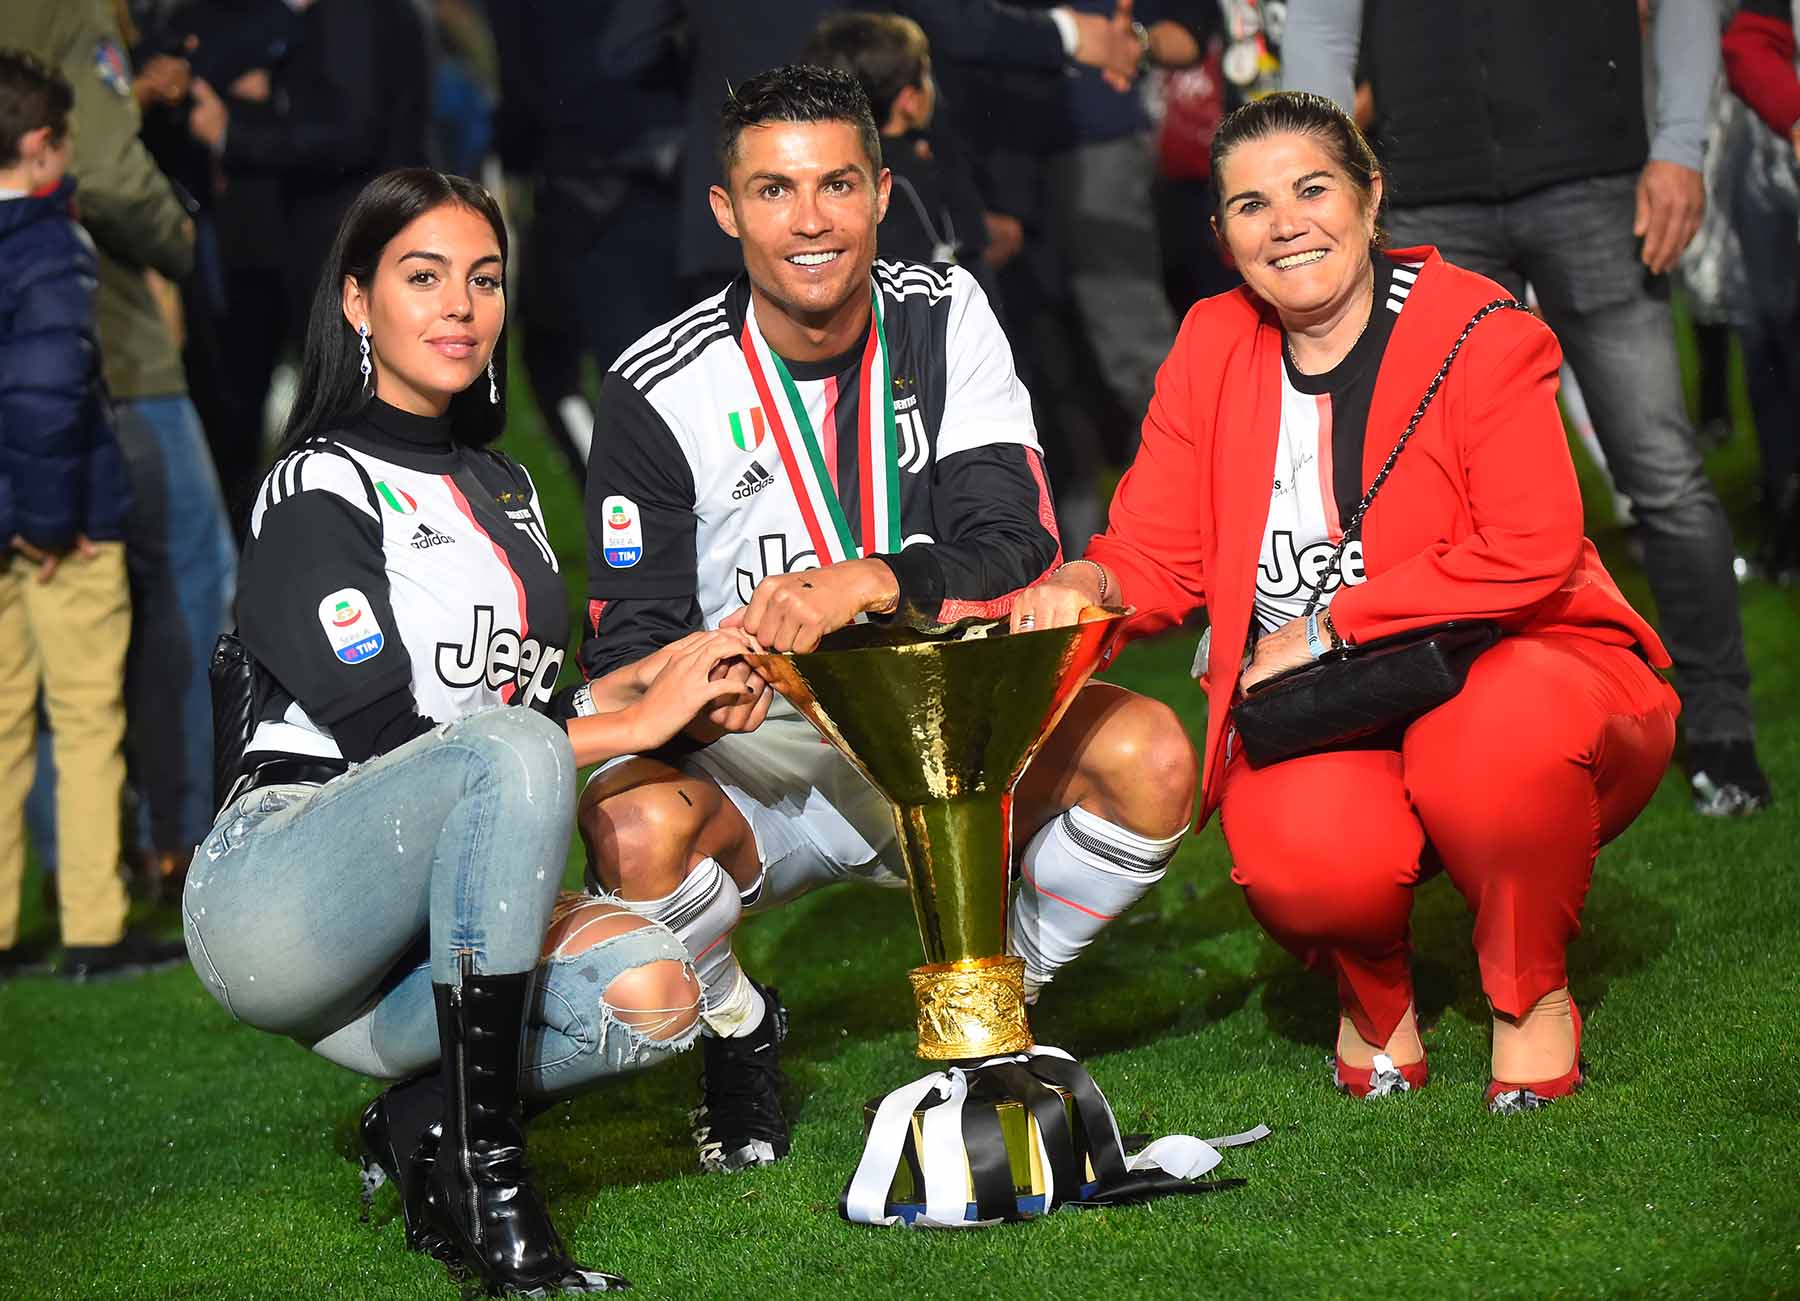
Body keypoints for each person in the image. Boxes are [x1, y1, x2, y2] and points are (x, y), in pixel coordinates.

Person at [577, 65, 1198, 1172]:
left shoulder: (944, 312)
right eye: (773, 190)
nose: (809, 220)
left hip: (953, 720)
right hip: (770, 749)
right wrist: (708, 678)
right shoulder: (658, 385)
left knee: (1150, 755)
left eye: (836, 185)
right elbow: (627, 646)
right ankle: (737, 1030)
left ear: (879, 192)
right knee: (630, 824)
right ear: (725, 209)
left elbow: (1016, 540)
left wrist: (867, 579)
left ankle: (994, 1001)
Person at [1011, 93, 1680, 1114]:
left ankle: (1528, 989)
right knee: (1303, 855)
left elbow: (1531, 546)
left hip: (1517, 670)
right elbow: (1157, 547)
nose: (1286, 224)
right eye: (1251, 205)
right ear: (1222, 234)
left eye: (1313, 189)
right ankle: (1374, 996)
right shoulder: (1212, 341)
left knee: (1491, 743)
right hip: (1327, 708)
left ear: (1372, 198)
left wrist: (1328, 626)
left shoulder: (1481, 330)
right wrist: (1091, 585)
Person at [181, 169, 761, 1295]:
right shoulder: (315, 481)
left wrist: (667, 678)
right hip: (283, 891)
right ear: (358, 300)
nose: (460, 304)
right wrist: (633, 721)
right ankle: (499, 1197)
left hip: (434, 923)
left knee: (656, 994)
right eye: (424, 276)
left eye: (485, 279)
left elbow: (520, 719)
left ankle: (423, 1122)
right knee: (507, 750)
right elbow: (406, 742)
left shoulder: (505, 486)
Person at [1280, 0, 1770, 817]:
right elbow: (1323, 24)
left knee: (1662, 474)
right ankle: (1483, 733)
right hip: (1429, 193)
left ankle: (1722, 729)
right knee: (1443, 501)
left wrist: (1680, 146)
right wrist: (1329, 184)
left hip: (1596, 180)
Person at [0, 48, 170, 980]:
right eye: (64, 138)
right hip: (58, 528)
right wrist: (47, 518)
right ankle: (94, 929)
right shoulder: (51, 244)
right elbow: (46, 391)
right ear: (39, 146)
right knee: (85, 716)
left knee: (1, 728)